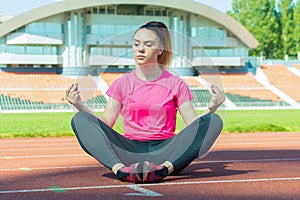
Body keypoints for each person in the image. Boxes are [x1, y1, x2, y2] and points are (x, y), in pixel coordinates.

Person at [66, 21, 225, 183]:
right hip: (129, 152)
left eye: (148, 44)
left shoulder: (176, 83)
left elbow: (194, 127)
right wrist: (80, 106)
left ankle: (163, 170)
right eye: (136, 44)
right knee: (79, 119)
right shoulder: (122, 83)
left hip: (168, 152)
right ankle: (121, 170)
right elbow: (105, 124)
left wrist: (211, 109)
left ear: (161, 49)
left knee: (214, 120)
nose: (140, 49)